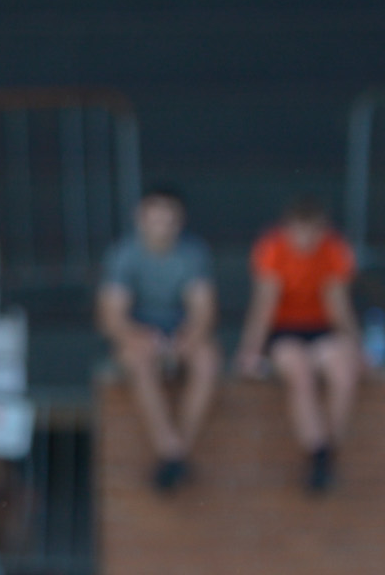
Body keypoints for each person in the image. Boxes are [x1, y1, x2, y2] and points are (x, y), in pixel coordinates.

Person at [235, 196, 363, 493]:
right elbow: (265, 302)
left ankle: (327, 448)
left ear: (323, 229)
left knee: (343, 373)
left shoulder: (334, 249)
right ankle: (316, 451)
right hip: (284, 329)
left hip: (321, 327)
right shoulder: (272, 248)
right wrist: (250, 350)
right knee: (298, 372)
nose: (305, 239)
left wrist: (355, 346)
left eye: (312, 231)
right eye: (299, 231)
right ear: (287, 228)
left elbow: (338, 304)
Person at [97, 188, 220, 492]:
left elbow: (203, 310)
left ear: (180, 221)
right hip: (140, 332)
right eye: (155, 218)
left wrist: (188, 338)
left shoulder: (194, 253)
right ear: (140, 218)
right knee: (138, 360)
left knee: (207, 360)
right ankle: (171, 449)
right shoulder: (123, 254)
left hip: (180, 330)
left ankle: (175, 452)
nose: (161, 226)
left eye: (168, 219)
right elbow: (112, 317)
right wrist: (138, 335)